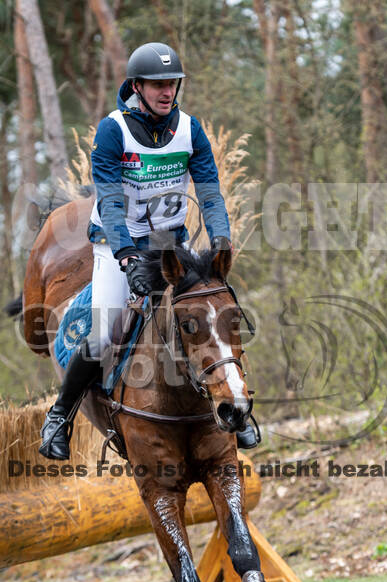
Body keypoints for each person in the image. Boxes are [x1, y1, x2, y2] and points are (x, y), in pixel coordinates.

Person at [39, 42, 257, 460]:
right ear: (136, 86)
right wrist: (125, 256)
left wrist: (221, 242)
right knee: (106, 332)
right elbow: (110, 200)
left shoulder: (190, 129)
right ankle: (60, 416)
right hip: (117, 244)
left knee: (216, 317)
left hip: (170, 244)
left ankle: (239, 412)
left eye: (172, 83)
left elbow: (210, 194)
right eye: (157, 84)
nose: (167, 91)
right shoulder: (112, 129)